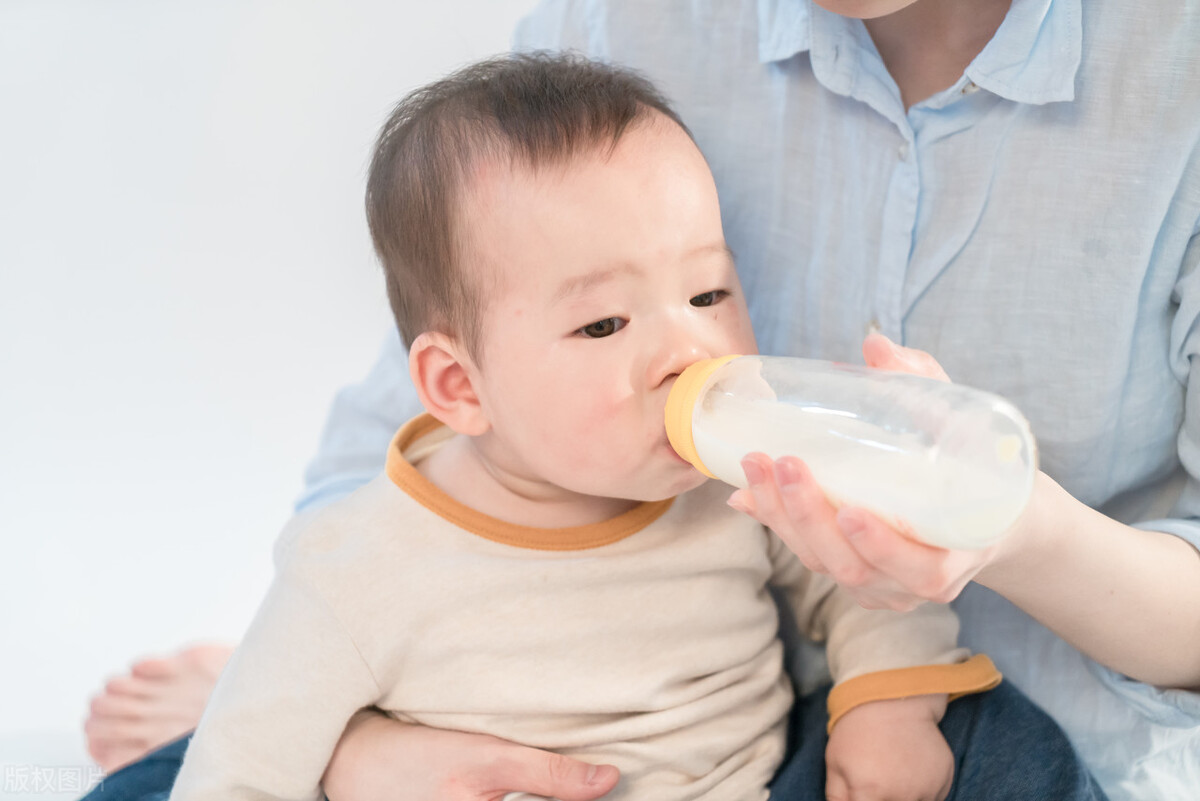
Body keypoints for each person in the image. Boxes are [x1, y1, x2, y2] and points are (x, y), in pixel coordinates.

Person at [85, 0, 1200, 799]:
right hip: (486, 749)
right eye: (606, 324)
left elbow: (855, 580)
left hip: (762, 761)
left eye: (714, 291)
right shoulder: (359, 566)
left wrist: (887, 704)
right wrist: (348, 752)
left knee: (1005, 749)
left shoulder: (727, 488)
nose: (690, 352)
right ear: (458, 387)